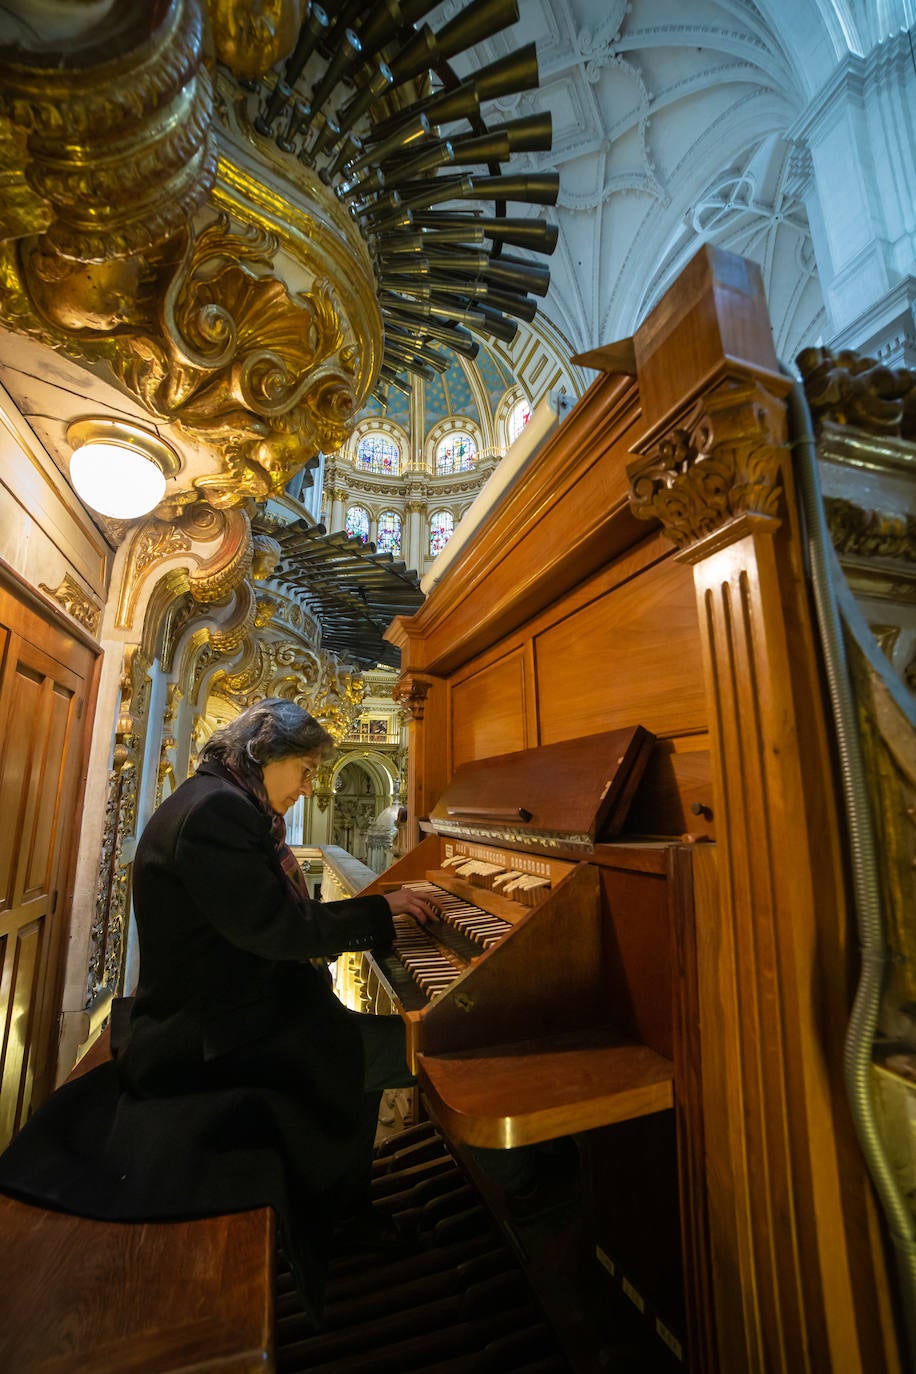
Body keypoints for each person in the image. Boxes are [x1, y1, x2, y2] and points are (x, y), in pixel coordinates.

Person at [0, 698, 440, 1319]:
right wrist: (381, 913)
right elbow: (278, 929)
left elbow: (264, 923)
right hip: (205, 1037)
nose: (309, 787)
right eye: (306, 770)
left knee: (353, 1039)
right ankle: (338, 1222)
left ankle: (341, 1206)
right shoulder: (218, 813)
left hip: (214, 1011)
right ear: (265, 756)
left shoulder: (216, 798)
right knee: (381, 1050)